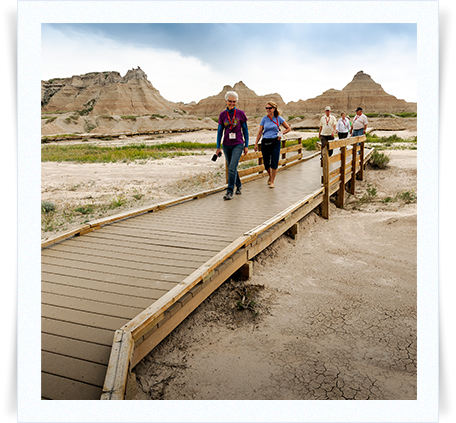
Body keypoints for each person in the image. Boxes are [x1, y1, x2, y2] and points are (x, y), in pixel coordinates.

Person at [216, 91, 249, 200]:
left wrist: (246, 145)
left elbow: (245, 130)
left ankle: (230, 191)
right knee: (232, 167)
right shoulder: (222, 115)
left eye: (234, 102)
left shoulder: (240, 113)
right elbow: (220, 132)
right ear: (226, 101)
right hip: (226, 144)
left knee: (232, 167)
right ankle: (239, 185)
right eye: (230, 101)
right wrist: (218, 147)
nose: (232, 103)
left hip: (238, 144)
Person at [254, 101, 291, 188]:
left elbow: (288, 128)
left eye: (270, 108)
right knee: (266, 163)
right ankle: (270, 176)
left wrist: (281, 133)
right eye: (266, 108)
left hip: (275, 142)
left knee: (274, 162)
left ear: (274, 108)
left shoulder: (278, 118)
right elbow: (260, 132)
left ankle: (272, 182)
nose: (268, 110)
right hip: (265, 141)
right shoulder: (264, 119)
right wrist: (256, 143)